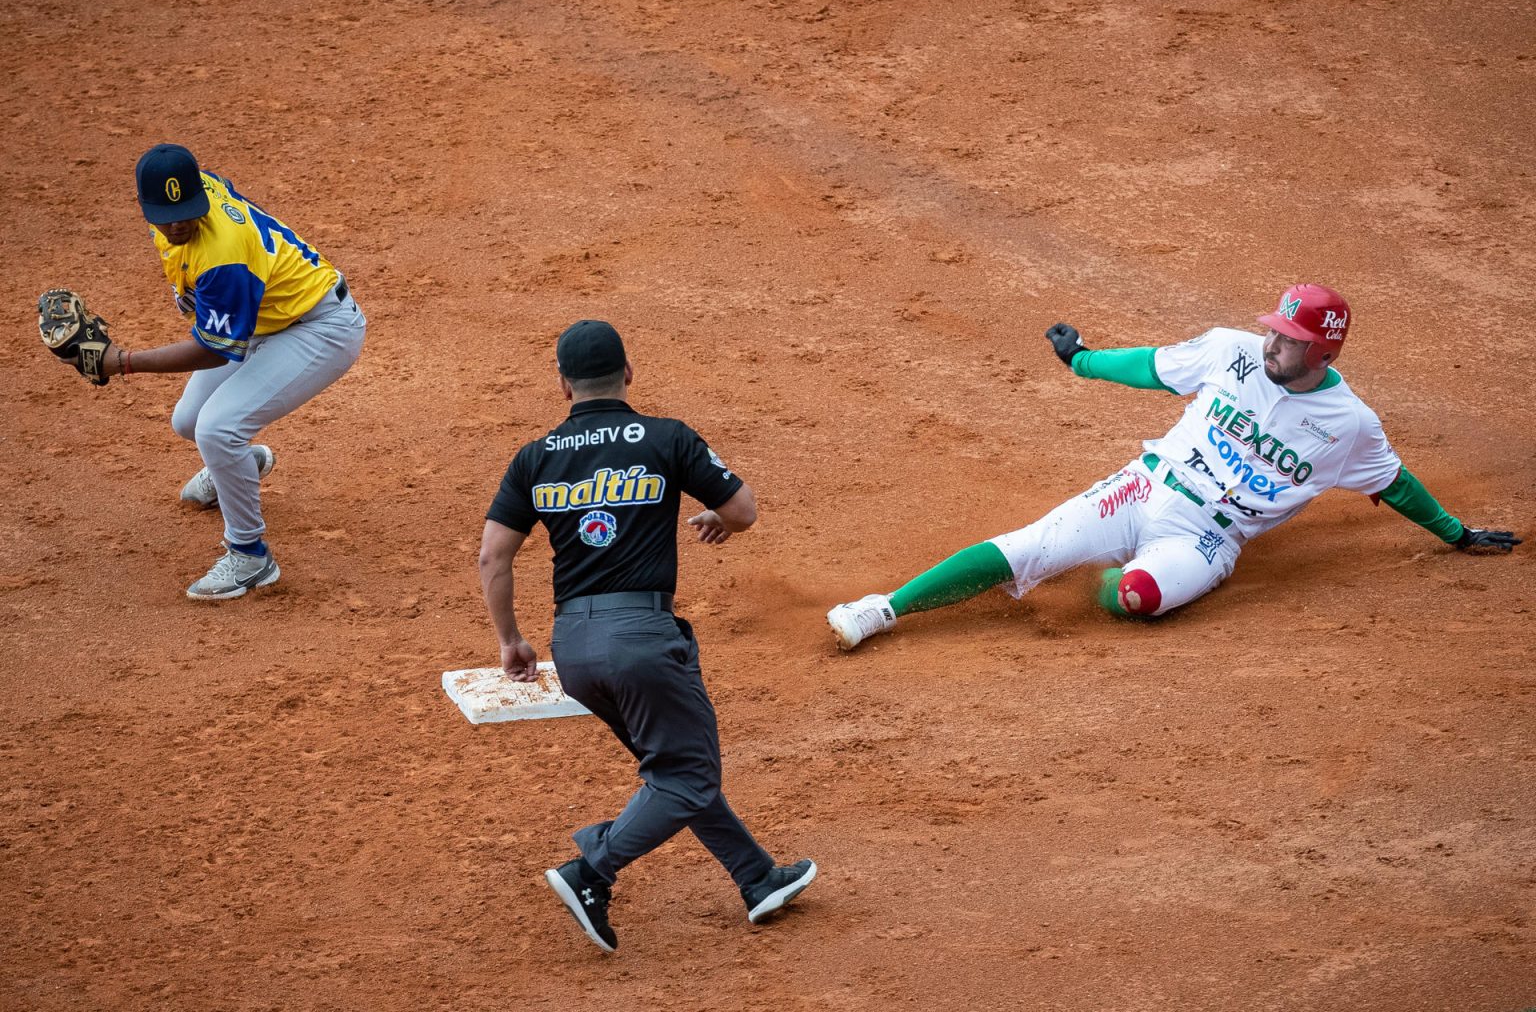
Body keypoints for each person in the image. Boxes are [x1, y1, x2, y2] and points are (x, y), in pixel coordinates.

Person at [827, 284, 1521, 650]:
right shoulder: (1232, 350)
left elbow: (1393, 482)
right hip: (1145, 485)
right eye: (1276, 328)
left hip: (1208, 540)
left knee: (1137, 598)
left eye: (1291, 339)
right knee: (1027, 544)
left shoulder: (1350, 426)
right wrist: (1082, 361)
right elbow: (1157, 368)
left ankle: (1096, 586)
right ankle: (884, 609)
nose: (1273, 342)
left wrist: (1455, 533)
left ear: (1325, 356)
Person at [478, 319, 816, 953]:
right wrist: (716, 517)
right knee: (686, 775)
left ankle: (755, 876)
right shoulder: (665, 438)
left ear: (562, 384)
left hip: (573, 646)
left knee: (673, 768)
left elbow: (494, 558)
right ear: (628, 373)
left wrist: (511, 641)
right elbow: (743, 511)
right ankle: (591, 869)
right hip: (642, 640)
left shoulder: (535, 456)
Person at [79, 144, 366, 599]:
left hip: (319, 328)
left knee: (217, 429)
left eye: (187, 212)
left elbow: (213, 350)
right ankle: (239, 470)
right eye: (166, 214)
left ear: (199, 195)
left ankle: (250, 557)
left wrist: (123, 361)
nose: (178, 223)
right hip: (268, 319)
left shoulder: (224, 256)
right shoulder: (196, 195)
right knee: (189, 423)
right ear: (145, 207)